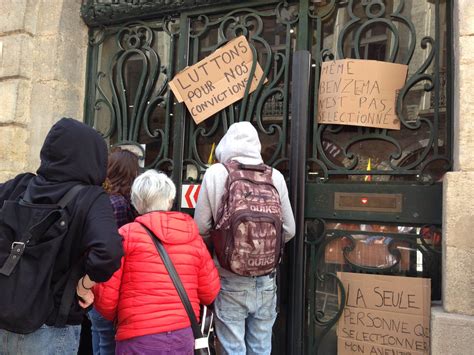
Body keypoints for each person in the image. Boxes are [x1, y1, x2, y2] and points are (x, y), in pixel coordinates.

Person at [0, 118, 123, 354]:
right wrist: (85, 285)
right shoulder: (90, 198)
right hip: (51, 328)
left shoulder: (20, 185)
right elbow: (108, 251)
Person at [194, 121, 296, 355]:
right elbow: (289, 230)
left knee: (232, 349)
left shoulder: (217, 173)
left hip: (229, 278)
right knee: (261, 347)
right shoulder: (275, 176)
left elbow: (200, 226)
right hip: (266, 280)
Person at [93, 169, 221, 355]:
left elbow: (106, 296)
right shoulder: (191, 236)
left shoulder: (126, 235)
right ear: (170, 201)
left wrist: (124, 319)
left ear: (136, 202)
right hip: (182, 334)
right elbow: (209, 293)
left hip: (138, 338)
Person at [88, 147, 139, 355]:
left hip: (97, 280)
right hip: (115, 281)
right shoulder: (124, 204)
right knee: (108, 338)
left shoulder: (102, 200)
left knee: (98, 332)